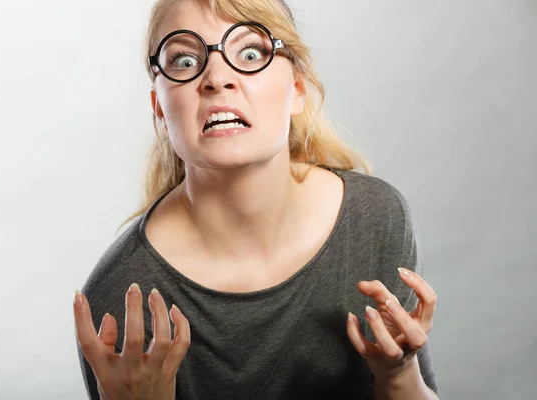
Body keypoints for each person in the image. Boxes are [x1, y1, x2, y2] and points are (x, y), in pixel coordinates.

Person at [73, 0, 440, 399]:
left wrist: (400, 373)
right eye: (183, 61)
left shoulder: (375, 221)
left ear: (297, 89)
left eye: (250, 53)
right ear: (160, 109)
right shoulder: (122, 300)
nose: (217, 78)